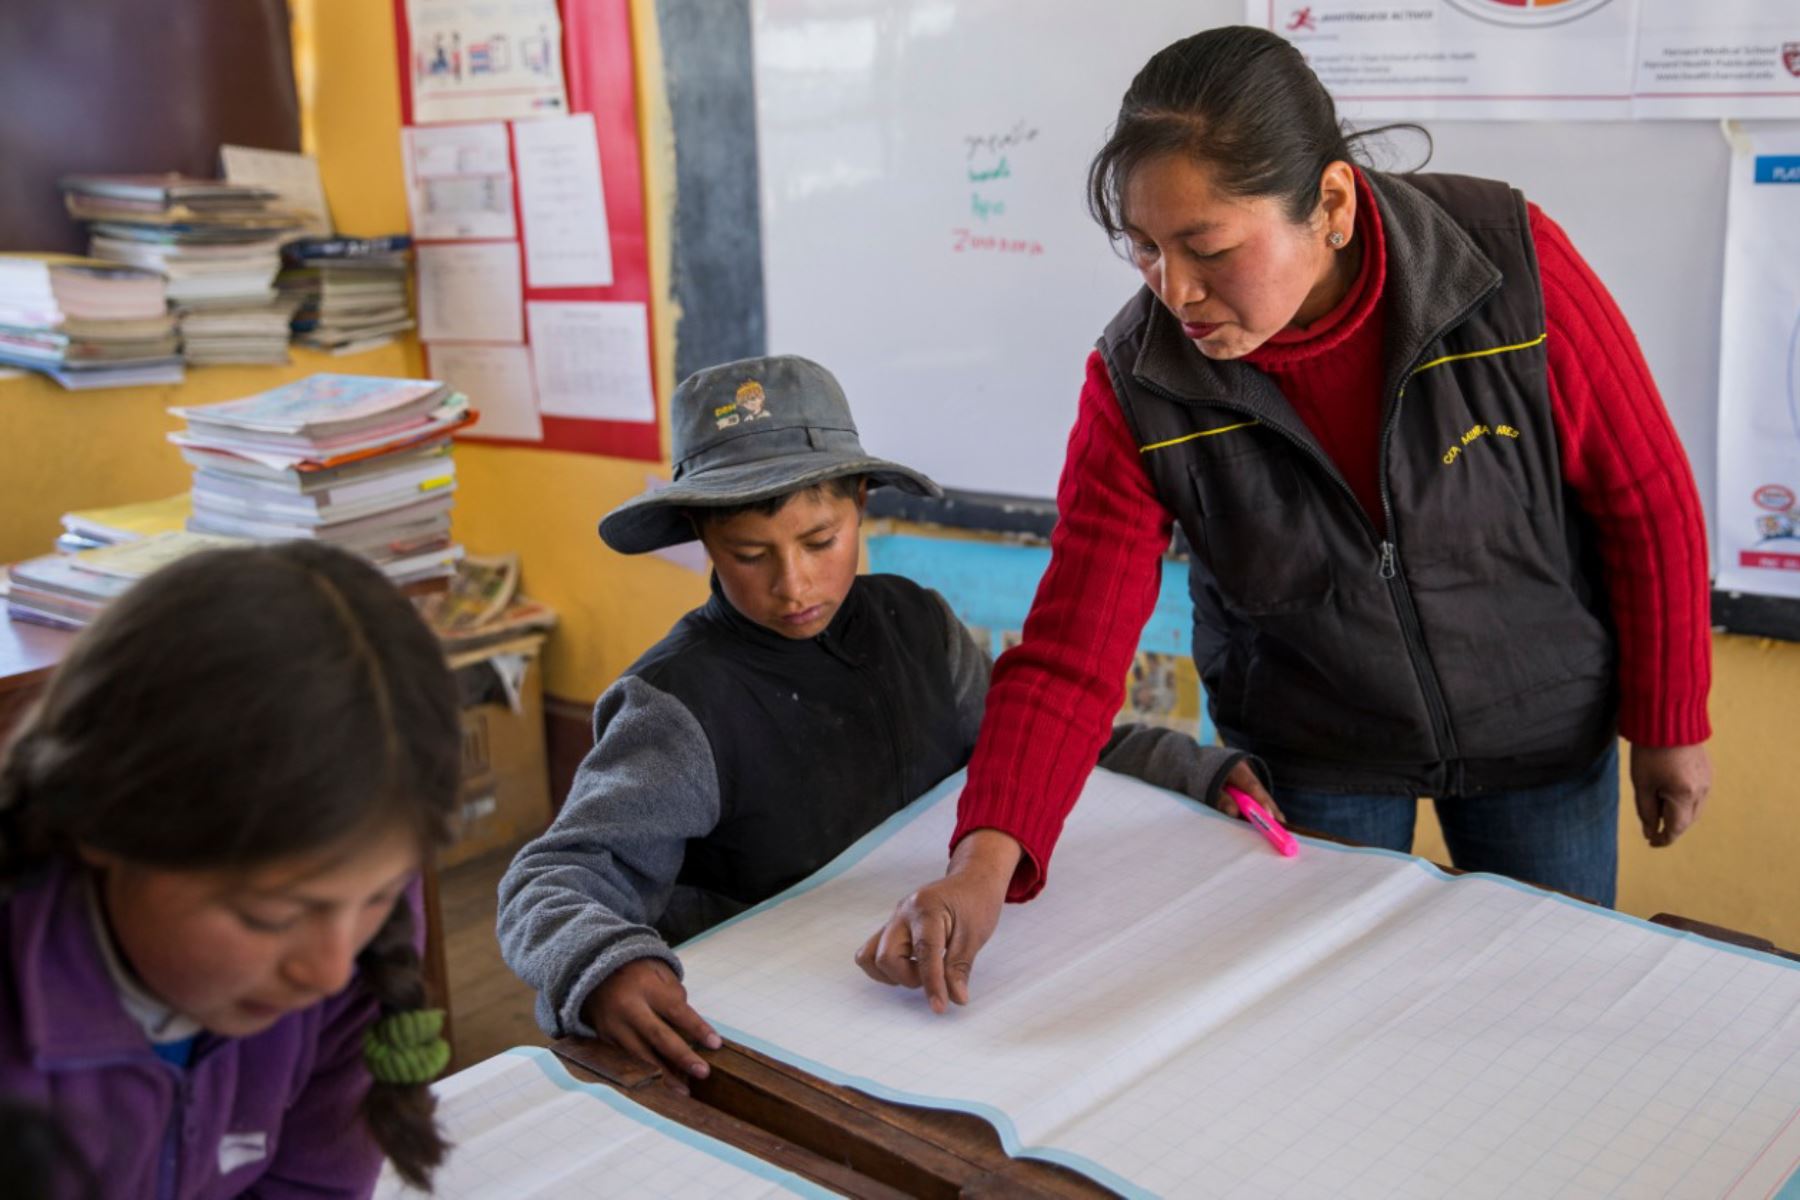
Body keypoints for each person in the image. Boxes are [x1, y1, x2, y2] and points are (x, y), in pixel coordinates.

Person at [858, 25, 1712, 1009]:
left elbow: (1644, 495)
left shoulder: (1506, 267)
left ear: (1333, 205)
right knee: (1335, 1019)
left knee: (1546, 1008)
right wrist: (980, 865)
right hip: (1319, 748)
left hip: (1539, 731)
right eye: (1145, 250)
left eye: (1208, 248)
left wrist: (1670, 720)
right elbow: (1070, 651)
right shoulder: (1141, 381)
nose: (1176, 292)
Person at [496, 354, 1258, 1083]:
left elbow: (1024, 743)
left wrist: (1182, 766)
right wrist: (600, 965)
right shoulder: (675, 704)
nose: (794, 584)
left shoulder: (917, 624)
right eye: (750, 554)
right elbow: (555, 876)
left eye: (819, 542)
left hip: (938, 1003)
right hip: (775, 1029)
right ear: (703, 538)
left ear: (860, 502)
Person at [0, 541, 461, 1194]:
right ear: (100, 823)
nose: (330, 970)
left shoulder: (352, 931)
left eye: (381, 897)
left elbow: (313, 1185)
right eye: (267, 916)